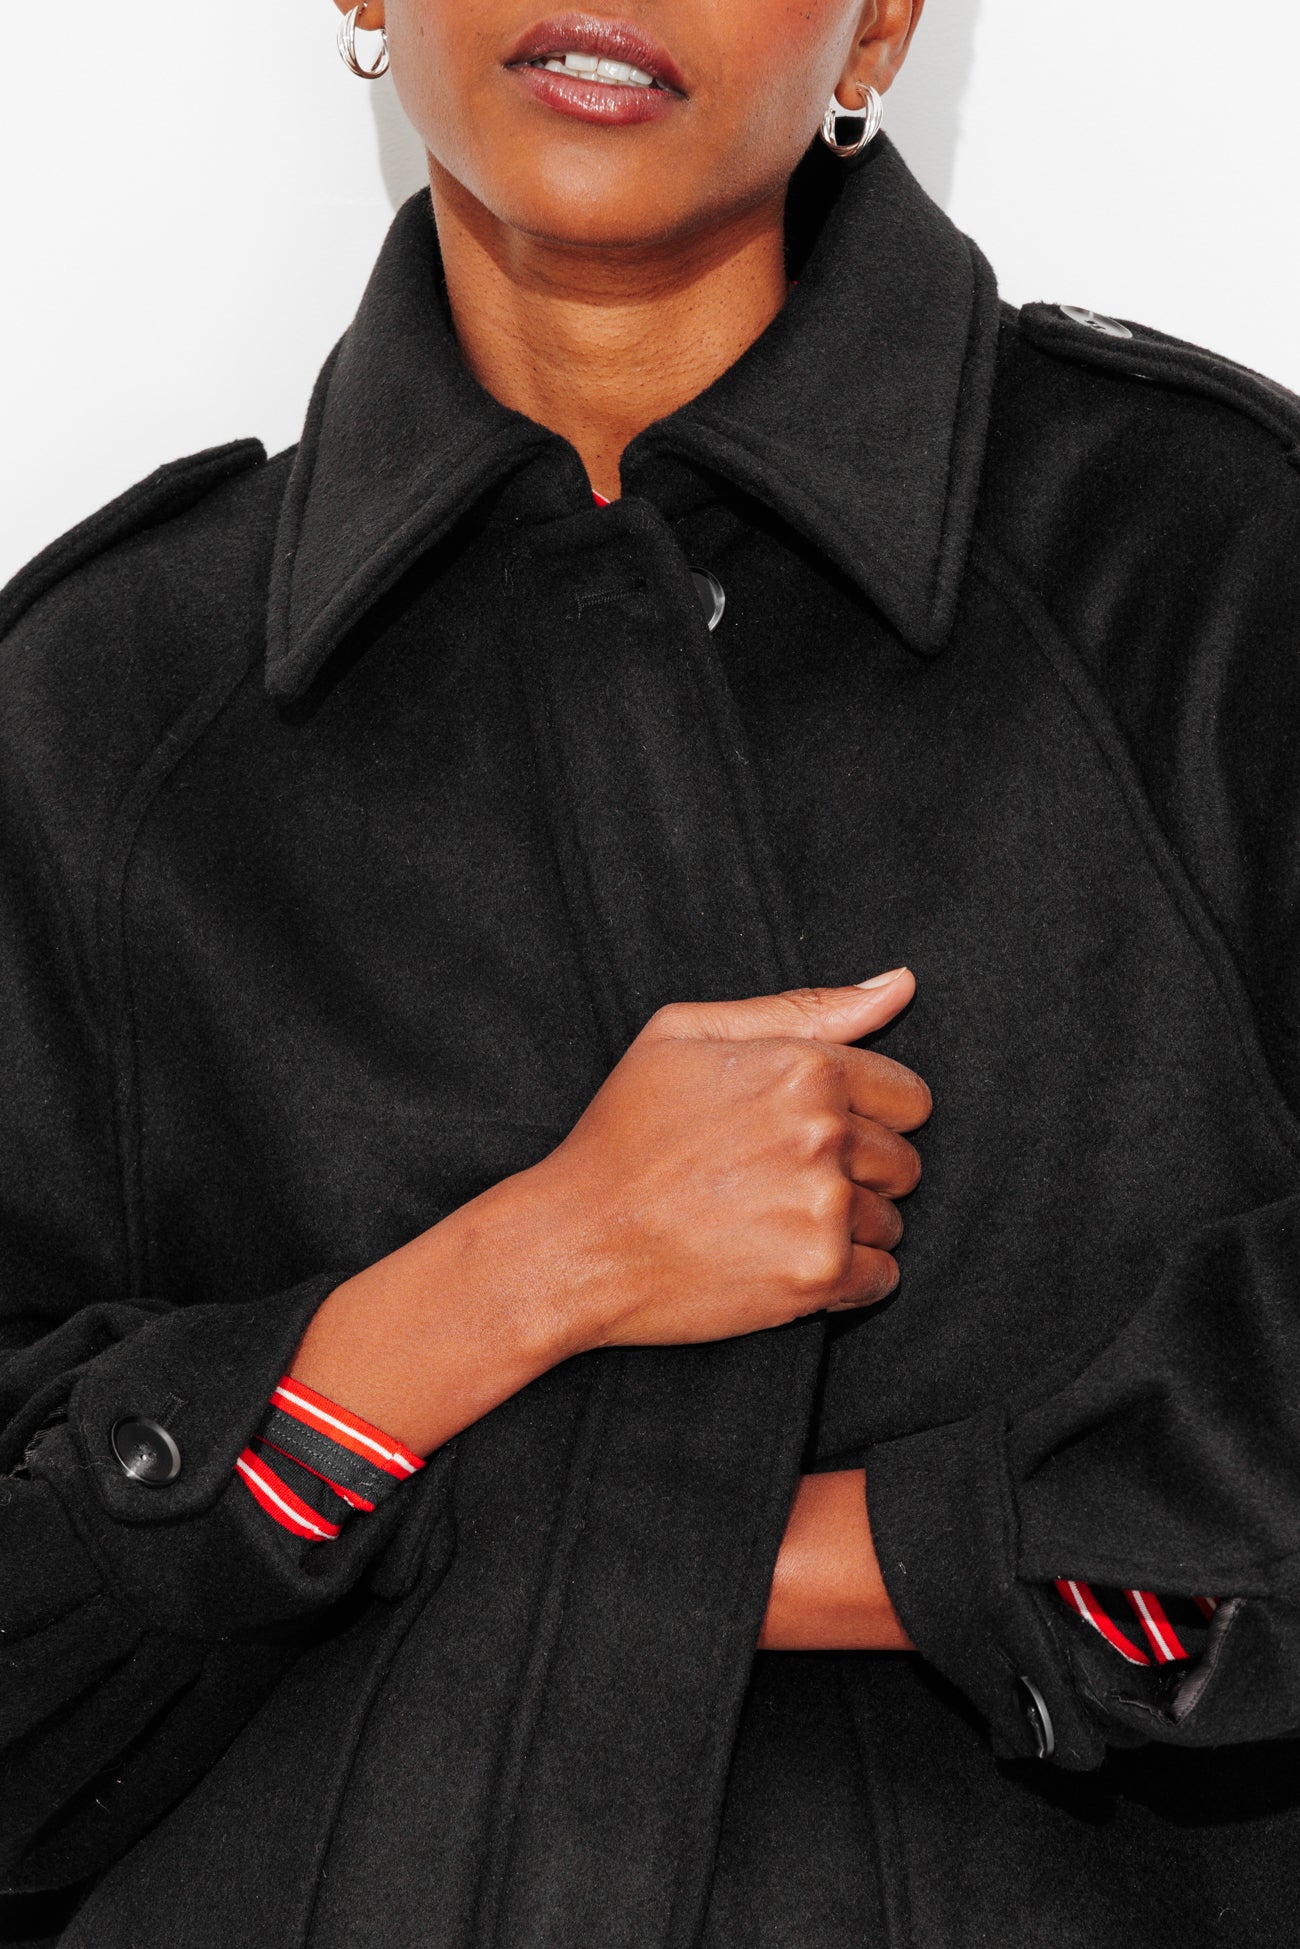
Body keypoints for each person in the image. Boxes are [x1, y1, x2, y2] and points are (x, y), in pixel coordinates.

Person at [2, 0, 1298, 1942]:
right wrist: (525, 1269)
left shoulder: (1200, 569)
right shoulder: (100, 716)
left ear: (877, 26)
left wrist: (822, 1559)